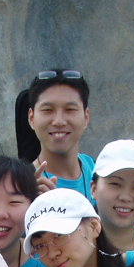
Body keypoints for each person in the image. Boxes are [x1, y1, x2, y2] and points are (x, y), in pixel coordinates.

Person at [20, 69, 93, 197]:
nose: (59, 121)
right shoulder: (21, 187)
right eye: (47, 110)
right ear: (31, 118)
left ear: (86, 117)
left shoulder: (101, 173)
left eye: (70, 109)